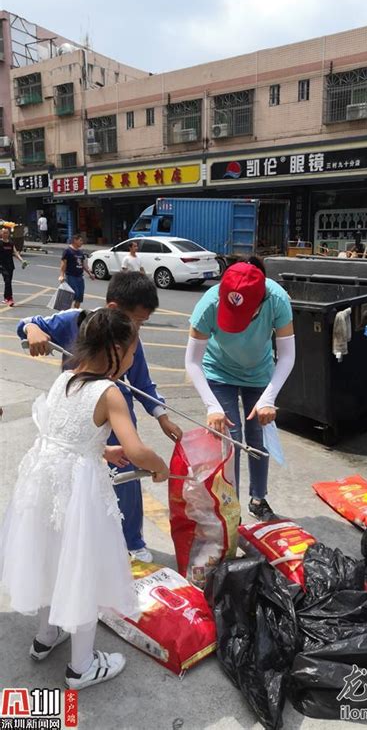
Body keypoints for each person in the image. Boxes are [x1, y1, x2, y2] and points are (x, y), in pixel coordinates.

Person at [1, 308, 169, 690]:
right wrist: (161, 467)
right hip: (78, 493)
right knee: (82, 566)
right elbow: (137, 450)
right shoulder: (110, 393)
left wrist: (101, 451)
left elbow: (66, 433)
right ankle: (81, 666)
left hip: (42, 485)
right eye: (130, 354)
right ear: (114, 350)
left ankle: (45, 637)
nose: (131, 361)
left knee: (49, 557)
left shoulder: (64, 379)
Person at [17, 271, 182, 562]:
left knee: (125, 479)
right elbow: (28, 324)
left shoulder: (124, 341)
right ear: (116, 311)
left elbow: (143, 381)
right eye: (138, 321)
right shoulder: (75, 320)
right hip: (84, 417)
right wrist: (31, 329)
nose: (139, 331)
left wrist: (162, 416)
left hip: (114, 421)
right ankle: (90, 546)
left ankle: (131, 540)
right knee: (85, 493)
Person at [185, 258, 295, 521]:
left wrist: (269, 397)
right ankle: (229, 502)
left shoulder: (277, 299)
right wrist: (212, 406)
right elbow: (192, 361)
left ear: (261, 302)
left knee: (258, 439)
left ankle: (258, 499)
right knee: (230, 439)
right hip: (219, 372)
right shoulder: (208, 304)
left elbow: (288, 355)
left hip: (259, 374)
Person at [60, 234, 95, 309]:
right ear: (75, 241)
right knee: (71, 296)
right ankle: (66, 313)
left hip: (80, 277)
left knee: (79, 296)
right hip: (71, 276)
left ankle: (75, 312)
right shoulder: (68, 251)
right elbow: (63, 263)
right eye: (80, 240)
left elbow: (83, 264)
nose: (82, 242)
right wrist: (62, 275)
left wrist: (90, 273)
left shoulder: (80, 252)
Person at [0, 226, 27, 306]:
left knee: (8, 282)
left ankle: (6, 298)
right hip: (2, 265)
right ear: (1, 233)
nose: (5, 234)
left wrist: (22, 261)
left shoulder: (11, 243)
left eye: (7, 233)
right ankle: (9, 298)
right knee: (7, 280)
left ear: (9, 234)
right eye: (4, 233)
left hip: (10, 265)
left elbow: (15, 253)